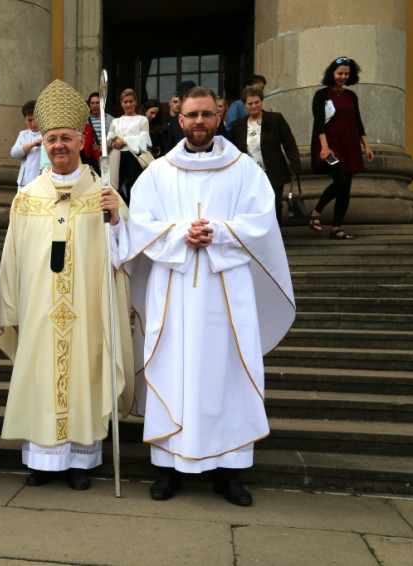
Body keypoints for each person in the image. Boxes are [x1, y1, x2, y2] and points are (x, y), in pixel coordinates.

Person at [117, 86, 295, 506]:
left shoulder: (244, 170)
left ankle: (229, 473)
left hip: (227, 291)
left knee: (228, 374)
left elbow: (262, 223)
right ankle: (167, 469)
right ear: (179, 120)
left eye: (207, 114)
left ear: (219, 117)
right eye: (192, 115)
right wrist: (183, 233)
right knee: (171, 369)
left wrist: (219, 232)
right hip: (173, 291)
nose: (199, 121)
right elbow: (140, 224)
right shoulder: (157, 173)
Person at [0, 79, 134, 491]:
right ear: (43, 143)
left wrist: (116, 220)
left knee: (86, 378)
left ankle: (81, 461)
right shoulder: (27, 197)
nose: (59, 145)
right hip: (39, 311)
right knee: (40, 380)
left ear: (81, 140)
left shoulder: (103, 194)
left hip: (87, 311)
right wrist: (11, 310)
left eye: (66, 138)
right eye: (51, 138)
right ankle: (43, 461)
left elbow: (124, 256)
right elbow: (12, 259)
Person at [308, 57, 374, 240]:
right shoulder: (322, 95)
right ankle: (316, 212)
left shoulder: (351, 96)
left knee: (345, 186)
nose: (343, 77)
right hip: (330, 146)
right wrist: (324, 147)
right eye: (340, 73)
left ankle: (336, 228)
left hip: (350, 145)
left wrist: (366, 145)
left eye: (346, 73)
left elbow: (358, 121)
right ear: (332, 73)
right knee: (342, 178)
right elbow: (319, 122)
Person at [230, 86, 301, 225]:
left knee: (275, 205)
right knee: (254, 207)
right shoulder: (237, 126)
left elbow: (289, 142)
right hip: (249, 175)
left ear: (261, 102)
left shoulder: (275, 119)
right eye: (250, 103)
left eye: (257, 102)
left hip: (273, 171)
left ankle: (275, 233)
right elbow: (234, 151)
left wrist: (295, 163)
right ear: (245, 105)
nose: (254, 106)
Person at [107, 88, 151, 203]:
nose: (128, 104)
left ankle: (133, 209)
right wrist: (113, 140)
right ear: (121, 103)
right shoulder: (115, 121)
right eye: (125, 102)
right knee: (115, 186)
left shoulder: (142, 119)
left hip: (134, 157)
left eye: (131, 101)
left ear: (135, 102)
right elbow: (109, 137)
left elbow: (144, 137)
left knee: (133, 187)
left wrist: (125, 140)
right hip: (117, 156)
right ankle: (119, 210)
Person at [10, 100, 43, 188]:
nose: (33, 124)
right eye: (29, 120)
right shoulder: (23, 134)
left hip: (41, 181)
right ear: (25, 120)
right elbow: (14, 153)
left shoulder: (47, 134)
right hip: (24, 182)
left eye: (35, 119)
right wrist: (33, 144)